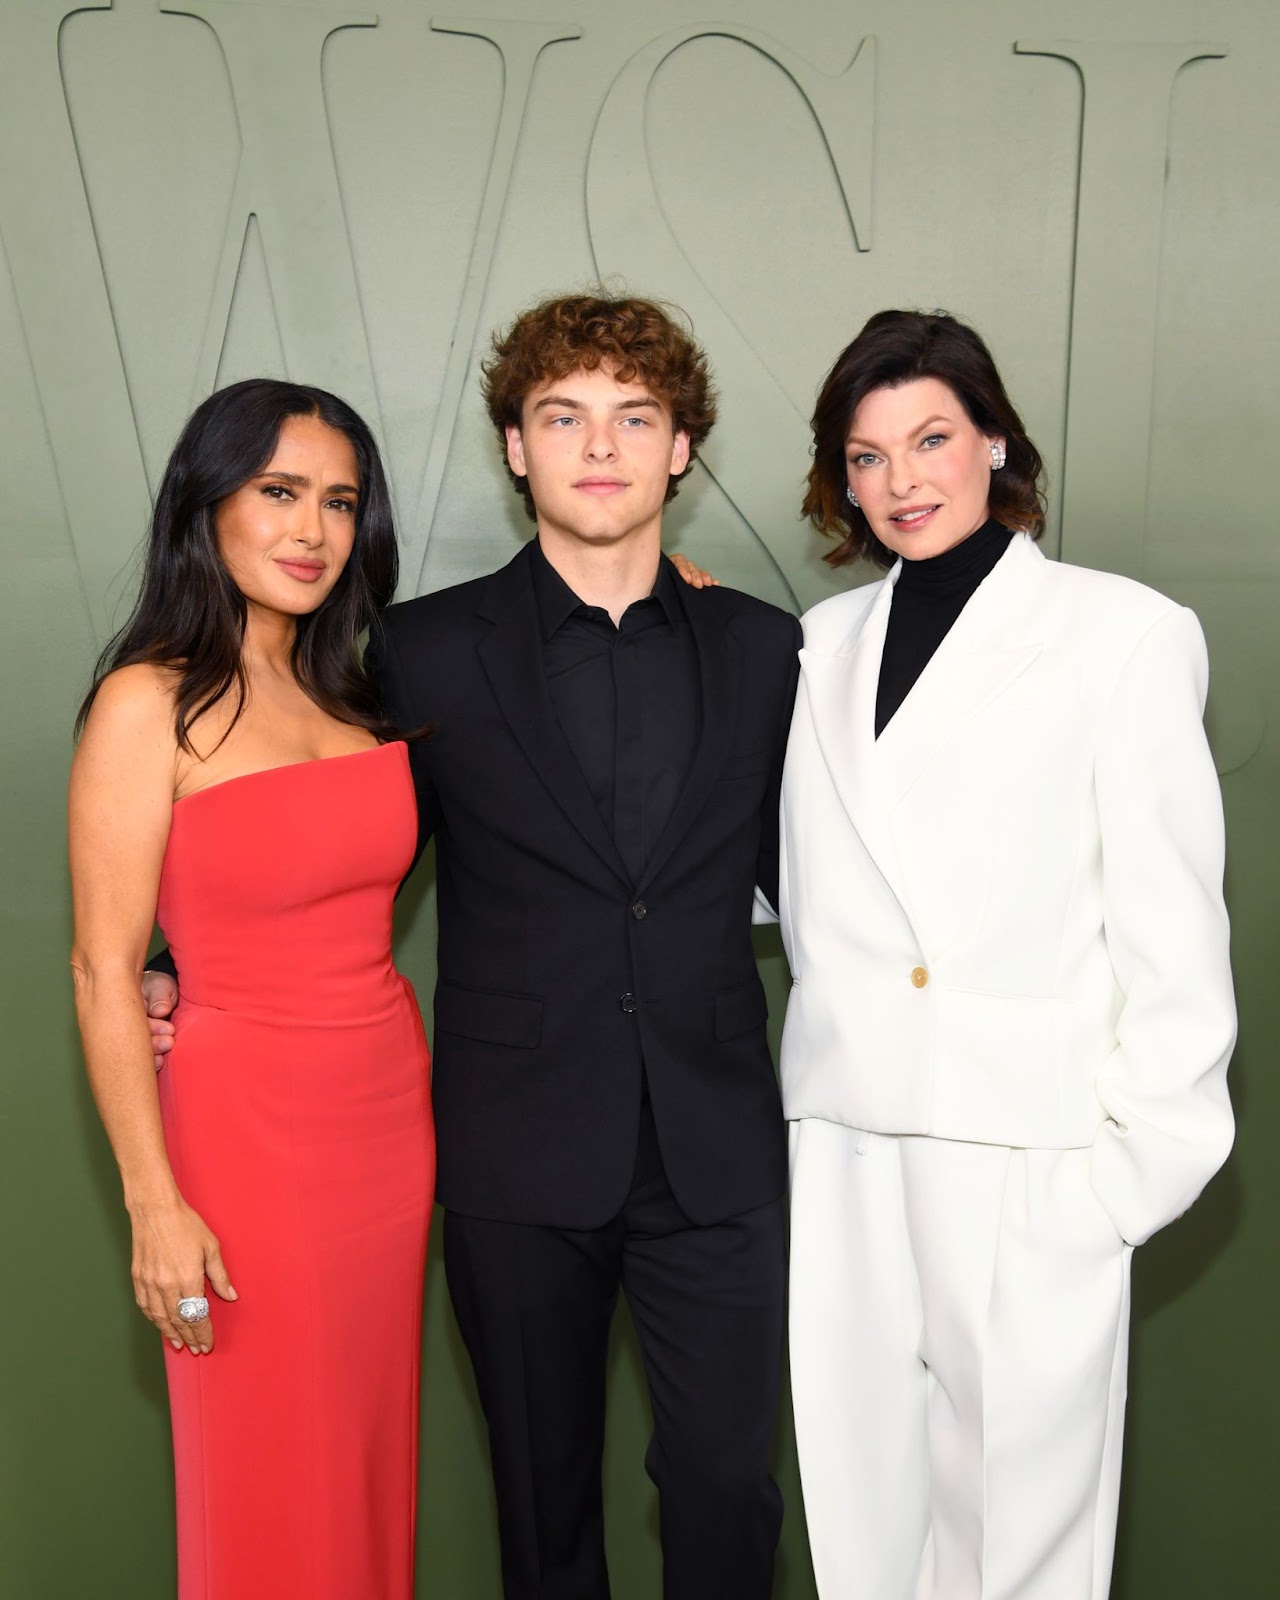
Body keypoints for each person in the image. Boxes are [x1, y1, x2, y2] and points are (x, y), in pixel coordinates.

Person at [778, 310, 1236, 1599]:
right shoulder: (812, 649)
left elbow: (1174, 930)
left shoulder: (1121, 633)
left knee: (1022, 1535)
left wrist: (1117, 1185)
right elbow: (788, 877)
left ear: (993, 441)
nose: (900, 481)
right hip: (846, 1130)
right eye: (865, 457)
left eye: (928, 439)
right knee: (860, 1510)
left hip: (1028, 1152)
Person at [70, 379, 435, 1600]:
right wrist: (152, 1202)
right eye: (278, 492)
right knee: (269, 1461)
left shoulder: (359, 694)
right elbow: (104, 968)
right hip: (244, 1145)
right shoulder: (147, 701)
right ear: (206, 505)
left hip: (387, 1124)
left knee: (368, 1456)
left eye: (338, 501)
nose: (311, 529)